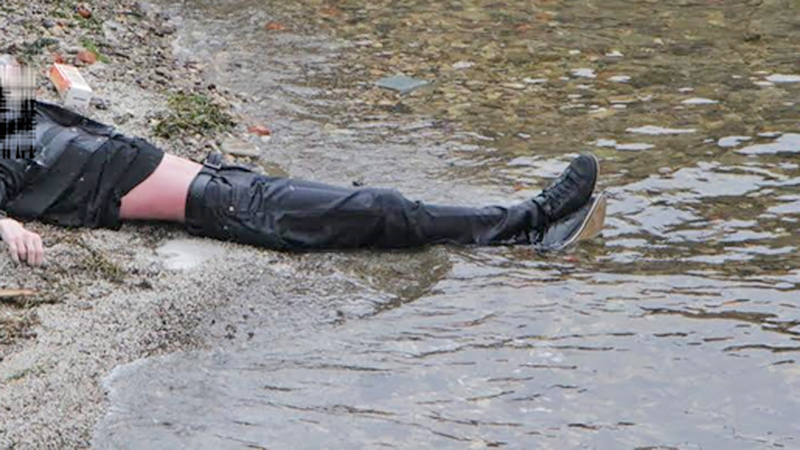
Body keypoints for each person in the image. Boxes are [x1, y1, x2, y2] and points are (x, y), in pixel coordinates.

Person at [0, 84, 599, 268]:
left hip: (224, 182)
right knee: (383, 208)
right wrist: (7, 227)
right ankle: (529, 223)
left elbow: (16, 75)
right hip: (228, 207)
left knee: (381, 208)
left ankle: (521, 229)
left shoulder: (14, 115)